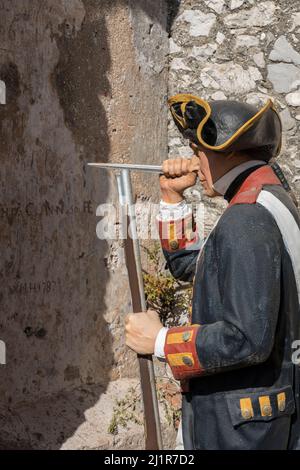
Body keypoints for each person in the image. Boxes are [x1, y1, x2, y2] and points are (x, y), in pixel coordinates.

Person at [125, 94, 300, 450]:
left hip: (239, 429)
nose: (193, 161)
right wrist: (172, 199)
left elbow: (246, 339)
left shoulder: (246, 218)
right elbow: (194, 266)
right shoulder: (269, 199)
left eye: (197, 150)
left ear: (228, 151)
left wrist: (160, 340)